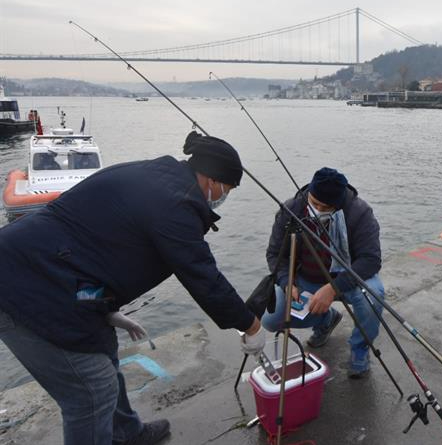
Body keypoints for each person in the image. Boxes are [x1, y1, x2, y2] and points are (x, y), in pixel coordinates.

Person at [0, 131, 267, 445]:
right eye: (228, 188)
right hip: (25, 284)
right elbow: (204, 277)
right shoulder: (175, 204)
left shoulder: (157, 177)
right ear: (211, 179)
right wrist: (250, 324)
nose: (226, 195)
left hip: (63, 278)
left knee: (103, 350)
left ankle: (126, 433)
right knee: (91, 394)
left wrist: (106, 307)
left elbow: (98, 247)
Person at [262, 167, 383, 379]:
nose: (317, 209)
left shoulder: (359, 212)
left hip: (348, 279)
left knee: (374, 295)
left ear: (338, 204)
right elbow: (275, 254)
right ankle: (325, 320)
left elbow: (371, 260)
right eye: (313, 202)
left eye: (324, 207)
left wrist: (333, 288)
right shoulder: (291, 209)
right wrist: (286, 282)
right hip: (306, 279)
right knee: (271, 321)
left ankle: (360, 349)